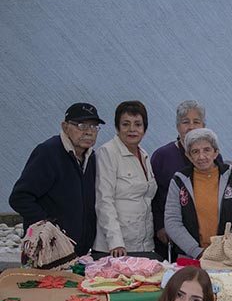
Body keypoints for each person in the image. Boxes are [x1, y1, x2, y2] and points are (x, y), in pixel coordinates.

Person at [9, 103, 104, 256]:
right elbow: (20, 197)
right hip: (48, 250)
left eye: (94, 127)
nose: (88, 132)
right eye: (81, 125)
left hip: (78, 252)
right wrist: (49, 228)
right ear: (65, 127)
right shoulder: (48, 153)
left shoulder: (91, 158)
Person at [164, 128, 232, 259]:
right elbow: (172, 221)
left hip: (227, 254)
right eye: (195, 152)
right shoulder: (179, 180)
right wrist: (196, 251)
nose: (201, 156)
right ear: (188, 156)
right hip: (190, 256)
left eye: (207, 150)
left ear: (216, 152)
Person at [93, 100, 158, 258]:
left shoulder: (144, 154)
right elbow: (104, 201)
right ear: (117, 127)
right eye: (126, 124)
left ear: (144, 128)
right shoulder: (107, 153)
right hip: (115, 248)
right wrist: (116, 242)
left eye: (137, 124)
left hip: (144, 244)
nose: (132, 129)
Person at [151, 100, 211, 258]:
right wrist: (160, 226)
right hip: (170, 235)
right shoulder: (161, 156)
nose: (191, 127)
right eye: (185, 122)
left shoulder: (211, 157)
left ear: (203, 126)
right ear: (178, 127)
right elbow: (153, 196)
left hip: (205, 237)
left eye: (196, 122)